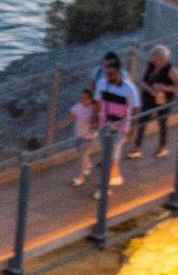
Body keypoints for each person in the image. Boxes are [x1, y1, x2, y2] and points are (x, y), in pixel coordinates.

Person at [91, 51, 141, 187]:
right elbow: (97, 102)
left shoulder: (129, 89)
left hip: (121, 127)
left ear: (119, 71)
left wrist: (133, 129)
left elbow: (136, 109)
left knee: (111, 156)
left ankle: (104, 187)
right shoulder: (102, 84)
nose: (109, 76)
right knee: (108, 154)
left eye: (111, 73)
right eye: (107, 73)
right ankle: (116, 176)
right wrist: (93, 120)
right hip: (104, 124)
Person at [131, 44, 176, 159]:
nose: (153, 58)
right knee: (142, 122)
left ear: (162, 58)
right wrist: (149, 89)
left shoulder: (171, 70)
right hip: (148, 99)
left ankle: (162, 147)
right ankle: (137, 147)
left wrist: (163, 87)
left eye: (155, 56)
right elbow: (139, 80)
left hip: (164, 102)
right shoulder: (149, 65)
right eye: (153, 56)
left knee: (162, 124)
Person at [68, 84, 98, 185]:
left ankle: (80, 177)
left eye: (85, 99)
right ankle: (88, 165)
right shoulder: (78, 107)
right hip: (79, 135)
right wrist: (61, 126)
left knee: (82, 155)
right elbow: (71, 116)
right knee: (81, 153)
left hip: (88, 136)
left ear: (91, 99)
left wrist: (94, 126)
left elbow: (97, 121)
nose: (83, 101)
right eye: (82, 98)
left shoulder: (94, 109)